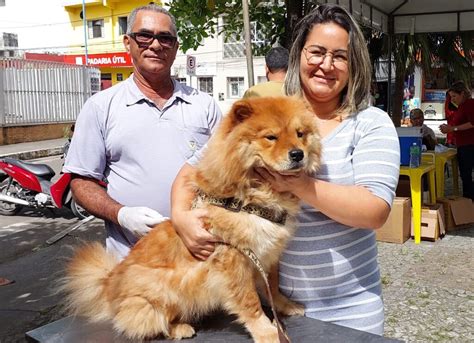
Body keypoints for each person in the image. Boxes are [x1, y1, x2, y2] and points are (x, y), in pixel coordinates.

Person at [172, 3, 400, 335]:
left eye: (340, 56)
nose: (326, 64)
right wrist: (181, 218)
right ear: (299, 56)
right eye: (317, 52)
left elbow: (375, 211)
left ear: (354, 65)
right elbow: (188, 174)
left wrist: (299, 185)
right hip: (274, 302)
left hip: (350, 307)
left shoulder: (370, 123)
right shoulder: (267, 112)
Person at [63, 4, 222, 260]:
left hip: (200, 263)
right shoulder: (101, 107)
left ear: (176, 46)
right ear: (128, 42)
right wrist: (122, 214)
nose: (156, 45)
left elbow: (228, 174)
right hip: (135, 266)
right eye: (145, 36)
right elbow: (81, 182)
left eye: (165, 38)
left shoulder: (204, 105)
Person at [440, 81, 474, 200]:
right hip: (463, 144)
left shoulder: (469, 104)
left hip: (469, 145)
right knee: (465, 176)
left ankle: (469, 200)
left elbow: (472, 123)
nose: (452, 99)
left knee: (466, 176)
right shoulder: (461, 106)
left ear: (462, 94)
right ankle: (468, 201)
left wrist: (452, 128)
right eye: (451, 97)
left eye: (454, 96)